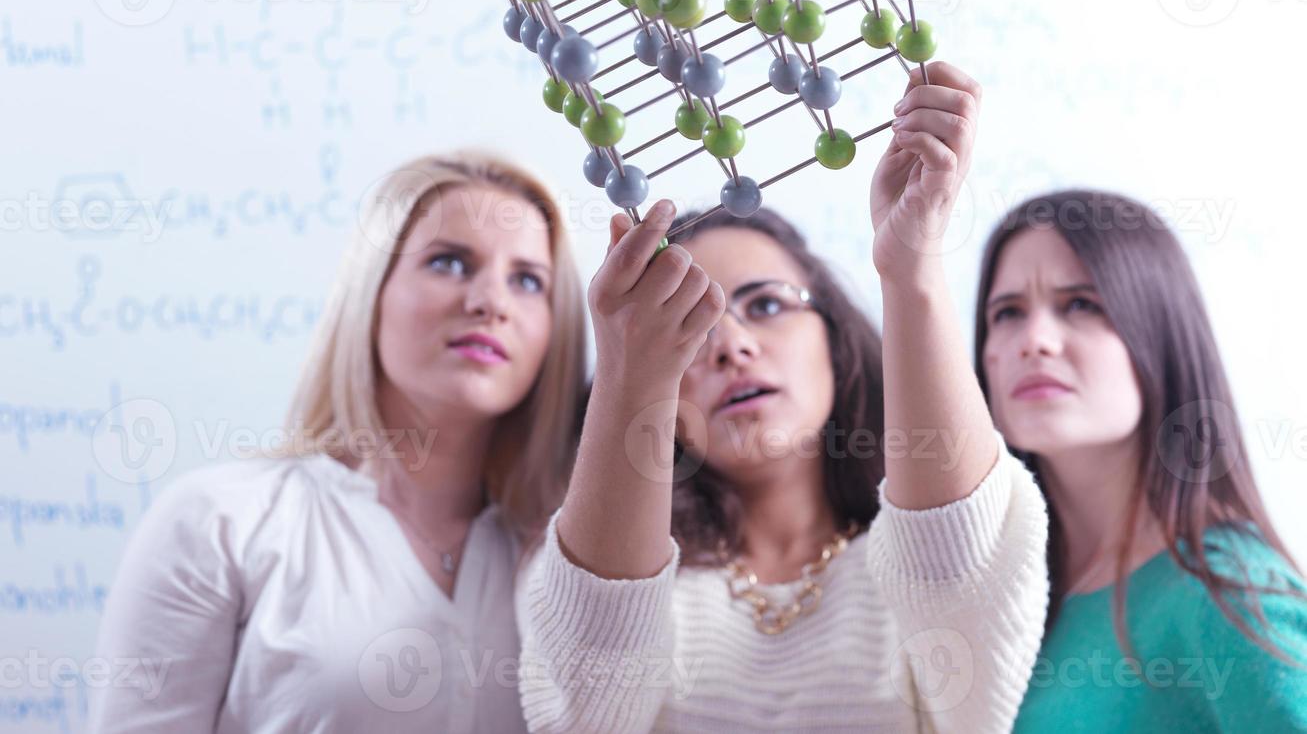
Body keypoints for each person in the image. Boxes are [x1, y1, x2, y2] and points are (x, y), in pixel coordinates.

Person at [516, 63, 1052, 732]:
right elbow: (588, 710)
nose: (731, 345)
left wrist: (911, 267)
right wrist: (632, 372)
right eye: (691, 331)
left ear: (832, 339)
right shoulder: (599, 562)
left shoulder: (905, 566)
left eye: (766, 303)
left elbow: (954, 562)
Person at [89, 151, 589, 733]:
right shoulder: (221, 523)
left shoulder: (565, 564)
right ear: (371, 293)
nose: (490, 303)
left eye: (528, 281)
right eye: (450, 262)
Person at [975, 188, 1307, 731]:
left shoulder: (1228, 596)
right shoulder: (1006, 594)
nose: (1034, 340)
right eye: (1007, 312)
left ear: (1159, 332)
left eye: (1081, 304)